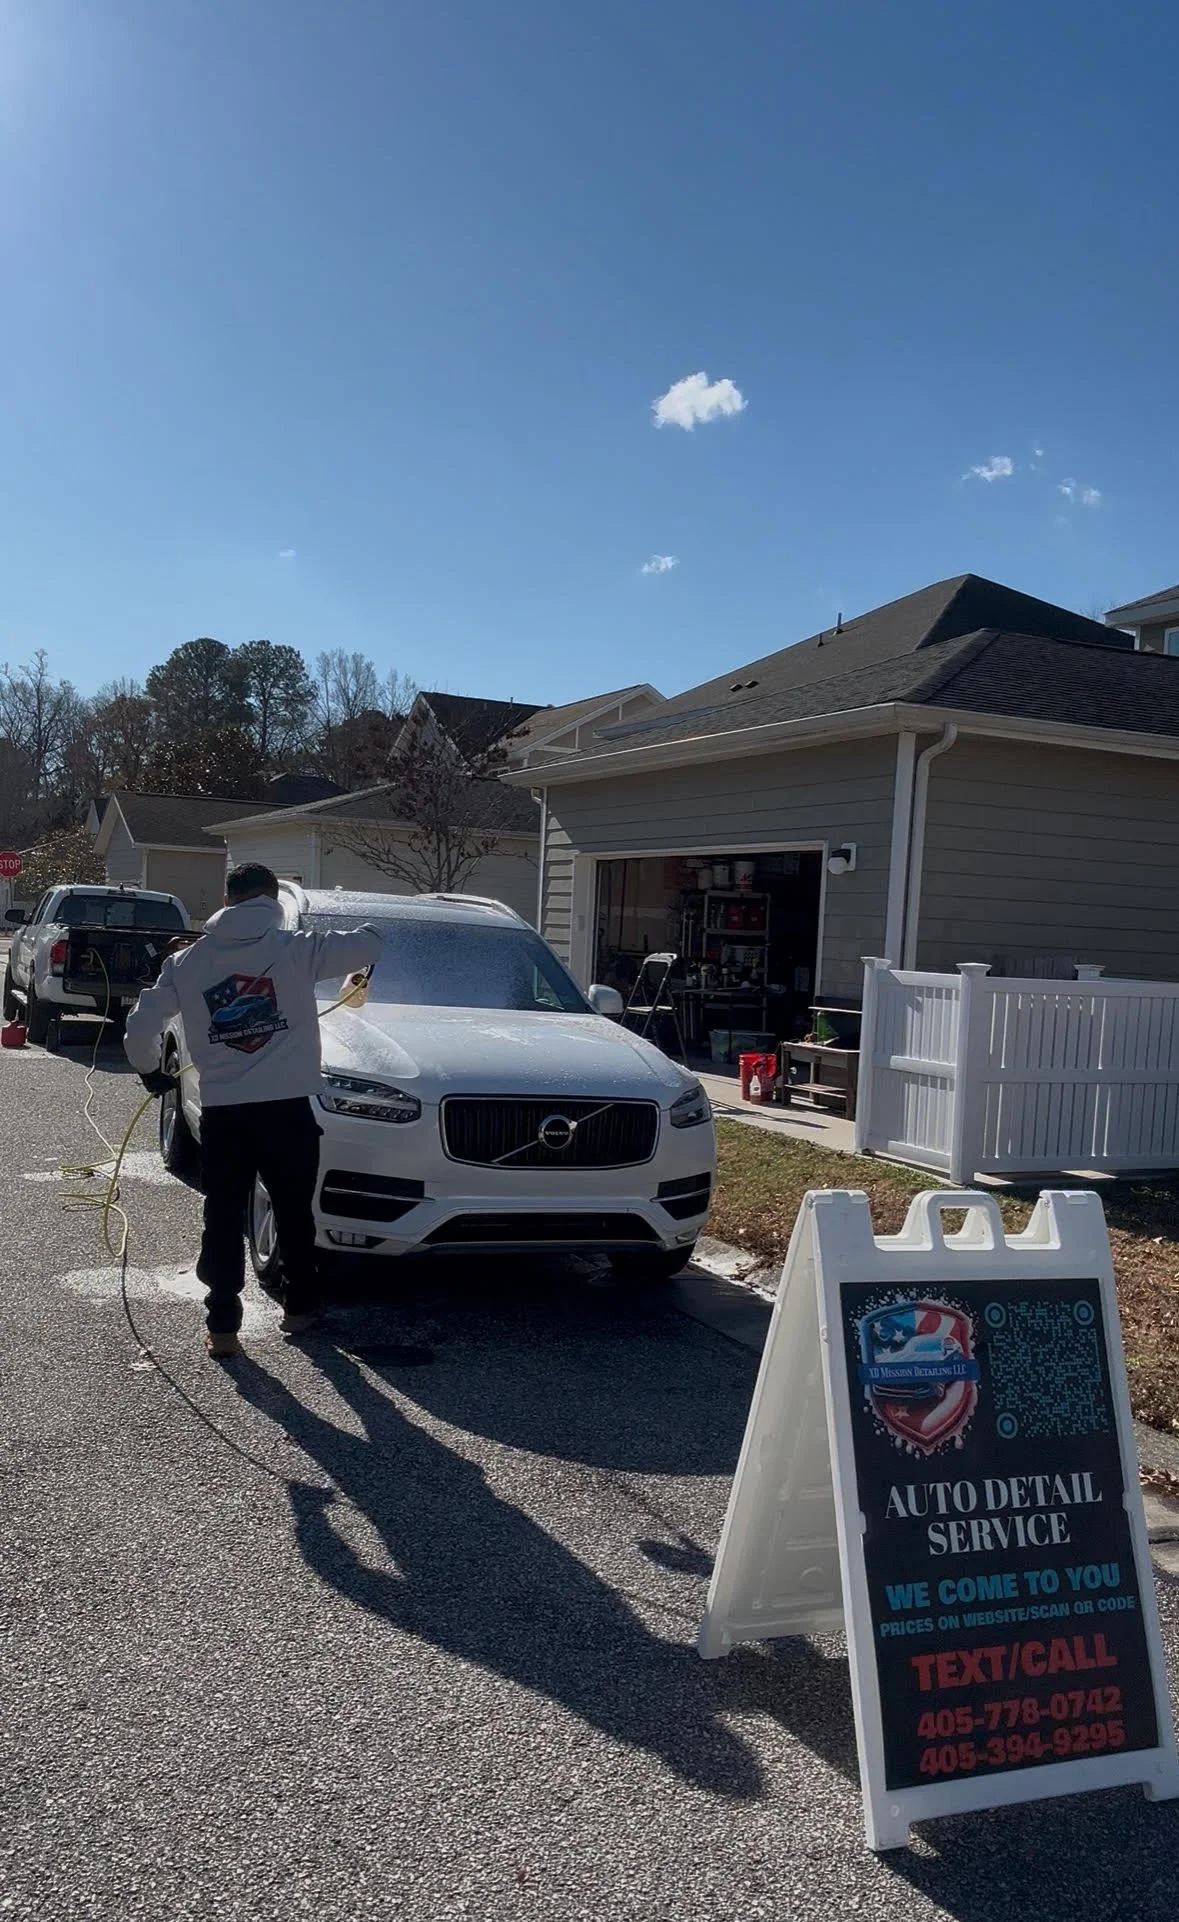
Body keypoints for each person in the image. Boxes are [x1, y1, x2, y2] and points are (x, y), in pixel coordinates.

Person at [124, 863, 382, 1359]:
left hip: (225, 1115)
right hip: (288, 1113)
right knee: (292, 1212)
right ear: (272, 900)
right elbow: (370, 942)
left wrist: (152, 1071)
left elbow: (141, 1025)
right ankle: (300, 1308)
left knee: (222, 1216)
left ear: (227, 899)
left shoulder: (188, 963)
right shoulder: (298, 949)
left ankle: (223, 1327)